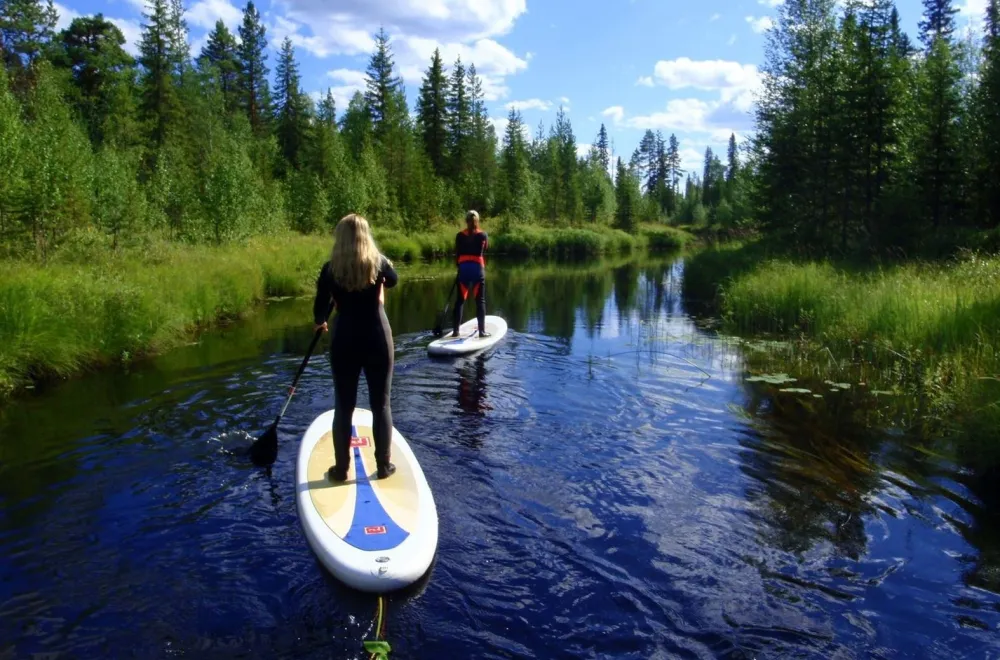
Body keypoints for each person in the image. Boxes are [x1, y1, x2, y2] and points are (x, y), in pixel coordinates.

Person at [313, 214, 398, 481]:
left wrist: (321, 322)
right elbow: (392, 279)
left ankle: (341, 469)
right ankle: (383, 466)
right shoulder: (379, 264)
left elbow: (319, 310)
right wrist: (380, 281)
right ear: (366, 236)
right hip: (376, 337)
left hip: (344, 339)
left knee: (344, 405)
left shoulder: (330, 270)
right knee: (381, 404)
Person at [452, 210, 490, 338]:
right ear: (477, 221)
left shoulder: (459, 236)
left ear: (466, 221)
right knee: (480, 301)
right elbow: (485, 249)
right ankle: (481, 331)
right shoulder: (483, 235)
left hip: (464, 269)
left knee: (460, 301)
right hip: (477, 269)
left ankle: (456, 331)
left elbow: (457, 253)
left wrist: (459, 266)